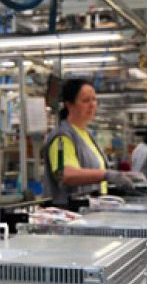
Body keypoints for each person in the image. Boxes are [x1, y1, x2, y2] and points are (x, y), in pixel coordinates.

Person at [43, 78, 134, 208]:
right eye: (86, 100)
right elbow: (65, 174)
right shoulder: (61, 137)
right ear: (69, 105)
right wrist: (106, 175)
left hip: (91, 210)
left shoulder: (87, 134)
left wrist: (124, 176)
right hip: (71, 213)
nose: (92, 105)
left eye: (94, 99)